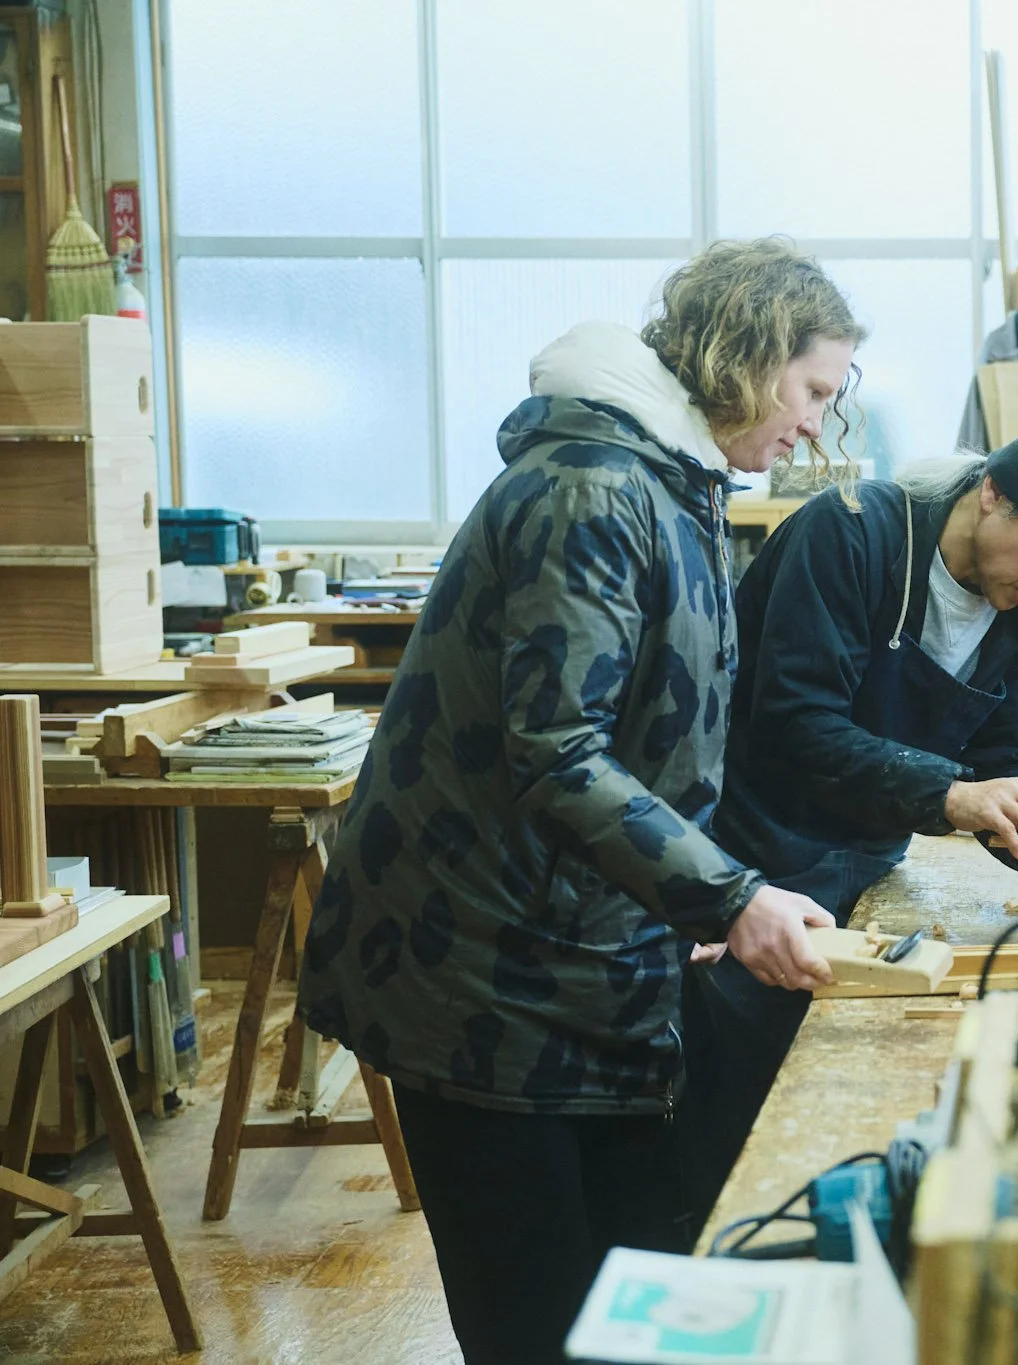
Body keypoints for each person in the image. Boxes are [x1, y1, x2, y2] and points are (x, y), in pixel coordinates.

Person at [297, 239, 864, 1363]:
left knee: (617, 1307)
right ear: (745, 357)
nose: (813, 426)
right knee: (539, 1326)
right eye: (809, 392)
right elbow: (557, 752)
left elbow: (656, 741)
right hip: (480, 981)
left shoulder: (671, 481)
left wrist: (684, 902)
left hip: (567, 955)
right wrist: (725, 898)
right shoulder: (592, 491)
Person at [680, 418, 1018, 1224]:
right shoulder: (851, 537)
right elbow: (798, 723)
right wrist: (953, 797)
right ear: (992, 491)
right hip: (754, 859)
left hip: (867, 864)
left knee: (839, 1112)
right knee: (733, 1132)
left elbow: (1015, 753)